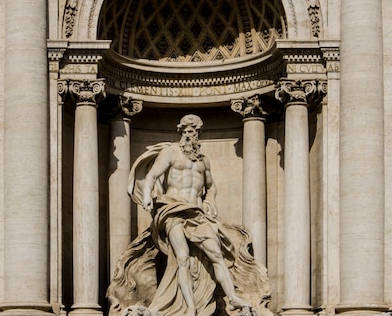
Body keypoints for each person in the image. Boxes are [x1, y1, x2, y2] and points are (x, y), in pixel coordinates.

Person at [108, 114, 271, 316]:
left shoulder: (203, 161)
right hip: (172, 210)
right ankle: (190, 308)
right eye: (185, 130)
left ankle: (234, 298)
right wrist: (148, 195)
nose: (189, 134)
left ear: (198, 134)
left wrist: (210, 201)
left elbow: (211, 187)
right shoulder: (170, 152)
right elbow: (152, 175)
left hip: (197, 213)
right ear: (180, 132)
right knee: (182, 257)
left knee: (217, 254)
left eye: (193, 131)